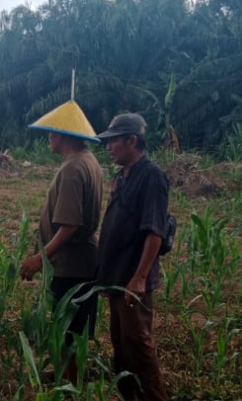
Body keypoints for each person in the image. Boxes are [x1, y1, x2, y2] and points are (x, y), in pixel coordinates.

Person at [21, 100, 104, 384]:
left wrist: (40, 258)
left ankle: (71, 383)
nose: (49, 137)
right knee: (72, 327)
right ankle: (65, 374)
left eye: (52, 132)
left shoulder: (72, 169)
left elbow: (69, 225)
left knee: (68, 326)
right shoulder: (88, 161)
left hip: (71, 265)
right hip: (83, 262)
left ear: (63, 135)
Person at [96, 113, 169, 401]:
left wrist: (139, 278)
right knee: (121, 345)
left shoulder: (151, 176)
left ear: (132, 141)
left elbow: (154, 231)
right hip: (117, 277)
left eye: (113, 141)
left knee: (138, 344)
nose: (108, 147)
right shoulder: (122, 176)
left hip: (132, 280)